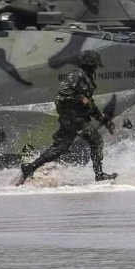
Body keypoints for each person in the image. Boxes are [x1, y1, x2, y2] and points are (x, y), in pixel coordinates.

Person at [17, 49, 117, 184]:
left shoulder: (85, 77)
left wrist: (105, 121)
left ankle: (30, 167)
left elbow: (90, 104)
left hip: (71, 120)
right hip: (75, 119)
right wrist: (79, 98)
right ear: (88, 64)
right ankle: (99, 175)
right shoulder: (76, 76)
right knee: (97, 141)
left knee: (59, 148)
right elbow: (62, 92)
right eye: (94, 65)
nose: (95, 68)